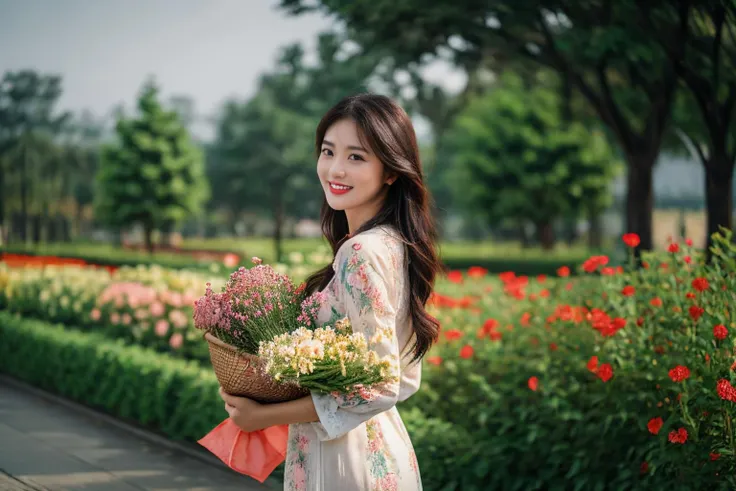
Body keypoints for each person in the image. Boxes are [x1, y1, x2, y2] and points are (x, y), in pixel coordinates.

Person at [218, 93, 443, 490]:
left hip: (346, 464)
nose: (335, 169)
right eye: (328, 151)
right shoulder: (391, 244)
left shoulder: (361, 252)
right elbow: (403, 378)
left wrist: (263, 416)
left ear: (390, 171)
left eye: (356, 157)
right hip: (376, 451)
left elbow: (381, 386)